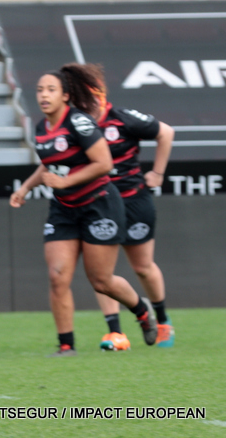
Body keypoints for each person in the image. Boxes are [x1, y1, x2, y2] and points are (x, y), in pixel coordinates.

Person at [9, 69, 158, 357]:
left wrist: (65, 182)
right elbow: (49, 164)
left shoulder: (80, 122)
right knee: (57, 276)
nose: (43, 95)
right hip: (64, 209)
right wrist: (25, 188)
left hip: (99, 205)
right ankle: (66, 346)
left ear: (65, 95)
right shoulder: (41, 128)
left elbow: (104, 163)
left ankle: (141, 311)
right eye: (40, 90)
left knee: (101, 281)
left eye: (51, 89)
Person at [60, 63, 176, 351]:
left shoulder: (123, 119)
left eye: (92, 97)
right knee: (101, 273)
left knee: (143, 267)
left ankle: (162, 321)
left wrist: (158, 173)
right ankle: (115, 332)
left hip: (132, 200)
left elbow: (166, 133)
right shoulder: (74, 125)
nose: (88, 104)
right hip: (98, 203)